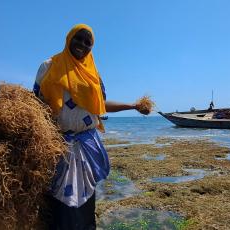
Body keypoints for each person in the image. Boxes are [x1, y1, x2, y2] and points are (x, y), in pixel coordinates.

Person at [33, 23, 149, 230]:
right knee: (59, 204)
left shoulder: (93, 75)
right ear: (69, 38)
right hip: (58, 146)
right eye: (79, 38)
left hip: (86, 145)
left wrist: (133, 105)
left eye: (88, 42)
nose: (82, 45)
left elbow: (100, 107)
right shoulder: (49, 66)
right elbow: (35, 104)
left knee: (86, 203)